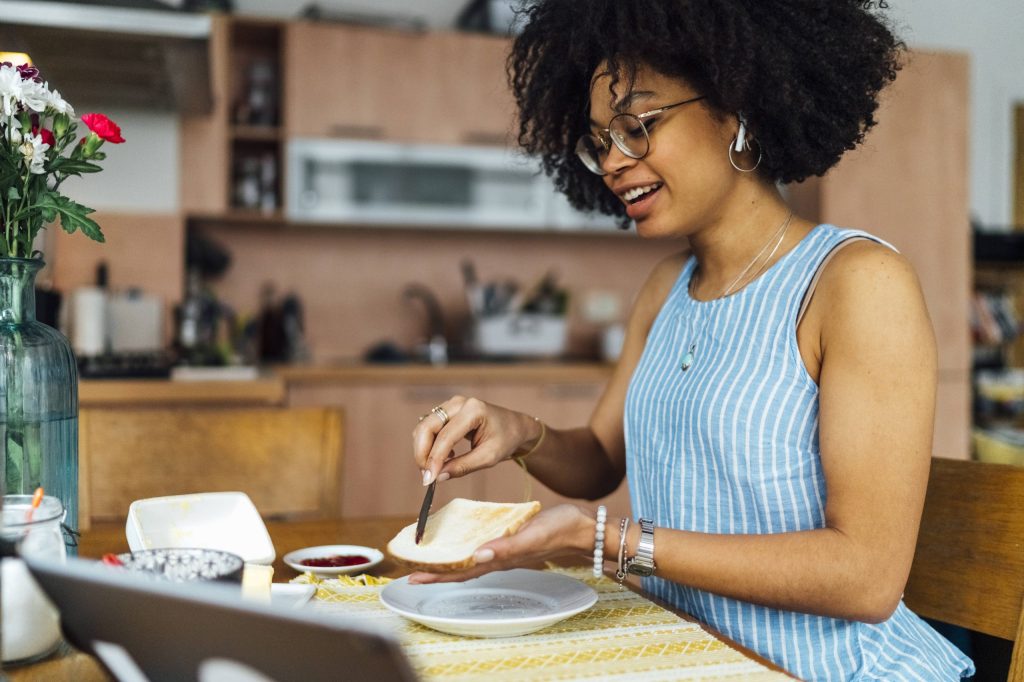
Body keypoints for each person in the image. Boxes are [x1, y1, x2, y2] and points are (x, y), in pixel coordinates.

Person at [410, 1, 974, 679]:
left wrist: (609, 543)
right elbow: (598, 462)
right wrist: (515, 432)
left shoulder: (855, 284)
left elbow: (866, 577)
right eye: (600, 141)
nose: (614, 162)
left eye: (638, 127)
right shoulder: (666, 287)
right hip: (685, 656)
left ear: (736, 110)